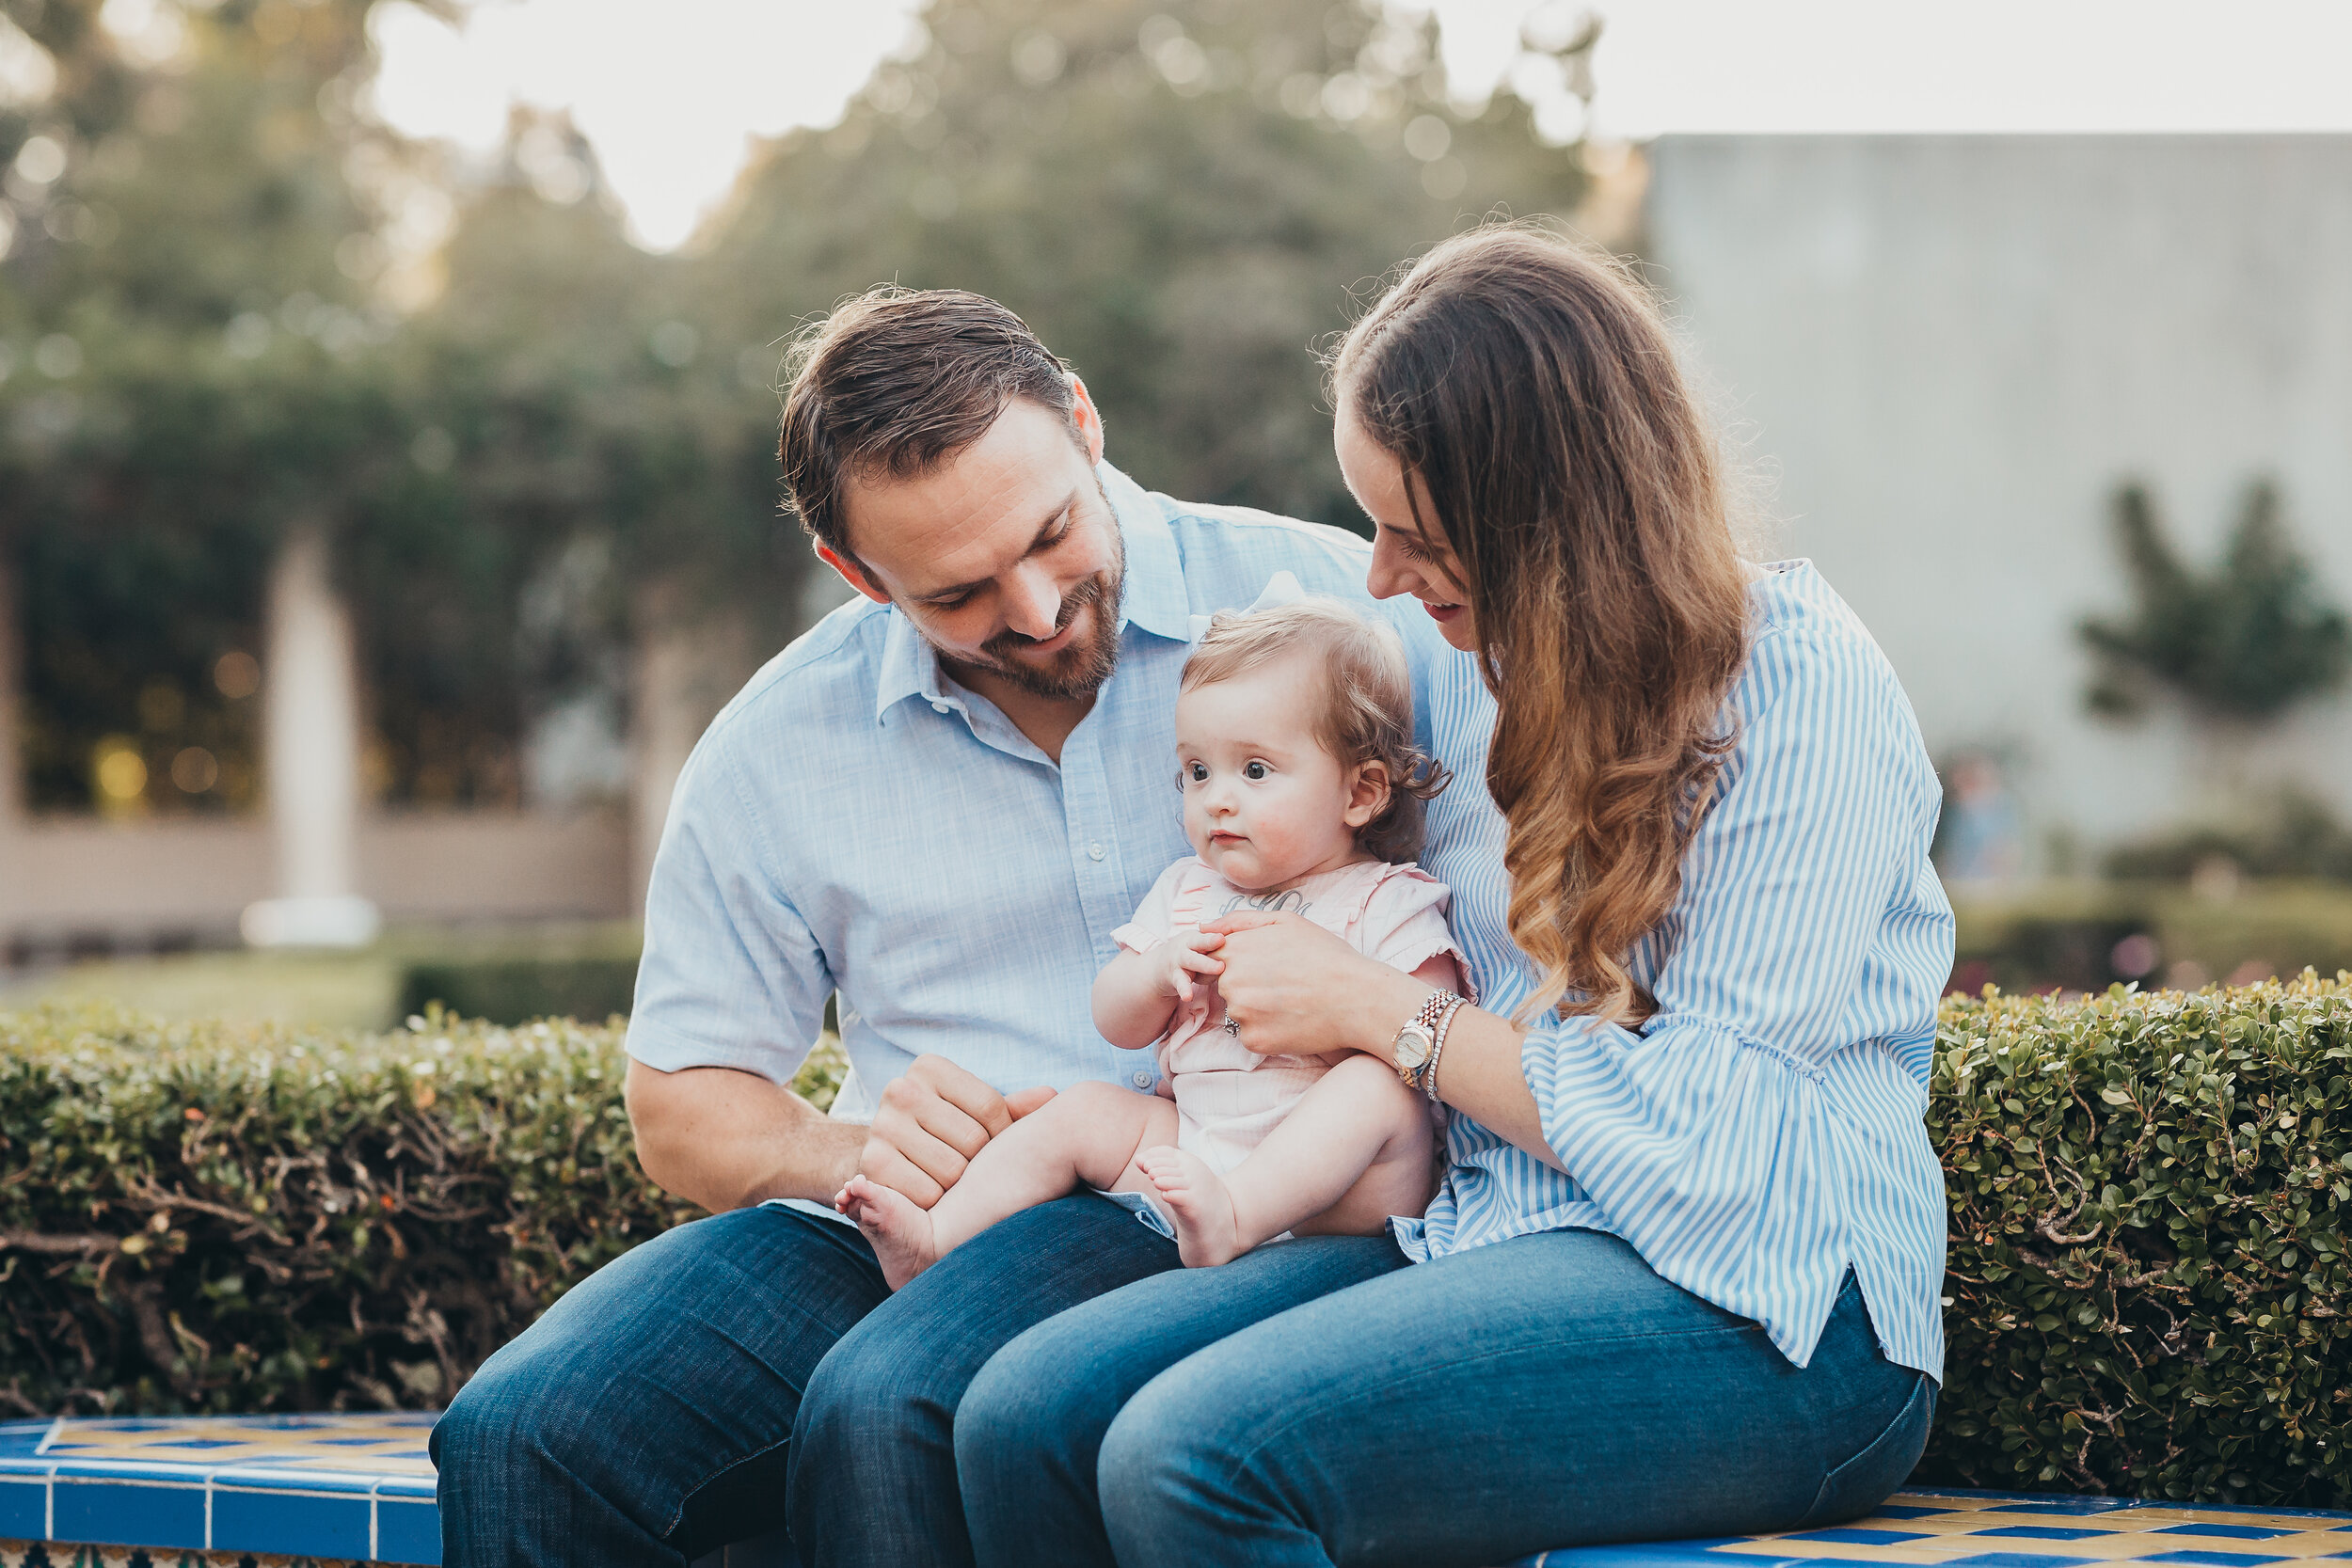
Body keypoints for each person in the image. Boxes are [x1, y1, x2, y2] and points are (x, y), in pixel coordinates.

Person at [426, 286, 1498, 1567]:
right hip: (936, 1216)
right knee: (520, 1433)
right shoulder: (778, 746)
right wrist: (855, 1149)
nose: (1039, 608)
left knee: (894, 1403)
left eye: (1052, 533)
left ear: (1085, 424)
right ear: (853, 572)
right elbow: (680, 1102)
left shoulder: (1345, 610)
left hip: (1248, 1185)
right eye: (960, 591)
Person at [953, 224, 1954, 1567]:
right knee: (1021, 1416)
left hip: (1775, 1310)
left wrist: (1385, 1014)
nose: (1376, 574)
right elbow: (1267, 773)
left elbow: (1711, 1152)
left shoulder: (1801, 689)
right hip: (1480, 1230)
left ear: (1554, 522)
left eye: (1414, 533)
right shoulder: (1443, 668)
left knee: (1192, 1456)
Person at [836, 594, 1467, 1283]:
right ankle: (937, 1236)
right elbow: (1114, 1019)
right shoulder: (1190, 889)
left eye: (1254, 770)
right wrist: (1156, 972)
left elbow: (1429, 1047)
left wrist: (1337, 1008)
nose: (1216, 798)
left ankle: (1235, 1213)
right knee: (1085, 1112)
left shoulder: (1386, 898)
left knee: (1376, 1089)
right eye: (1196, 771)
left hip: (1345, 1191)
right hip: (1198, 1144)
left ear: (1360, 792)